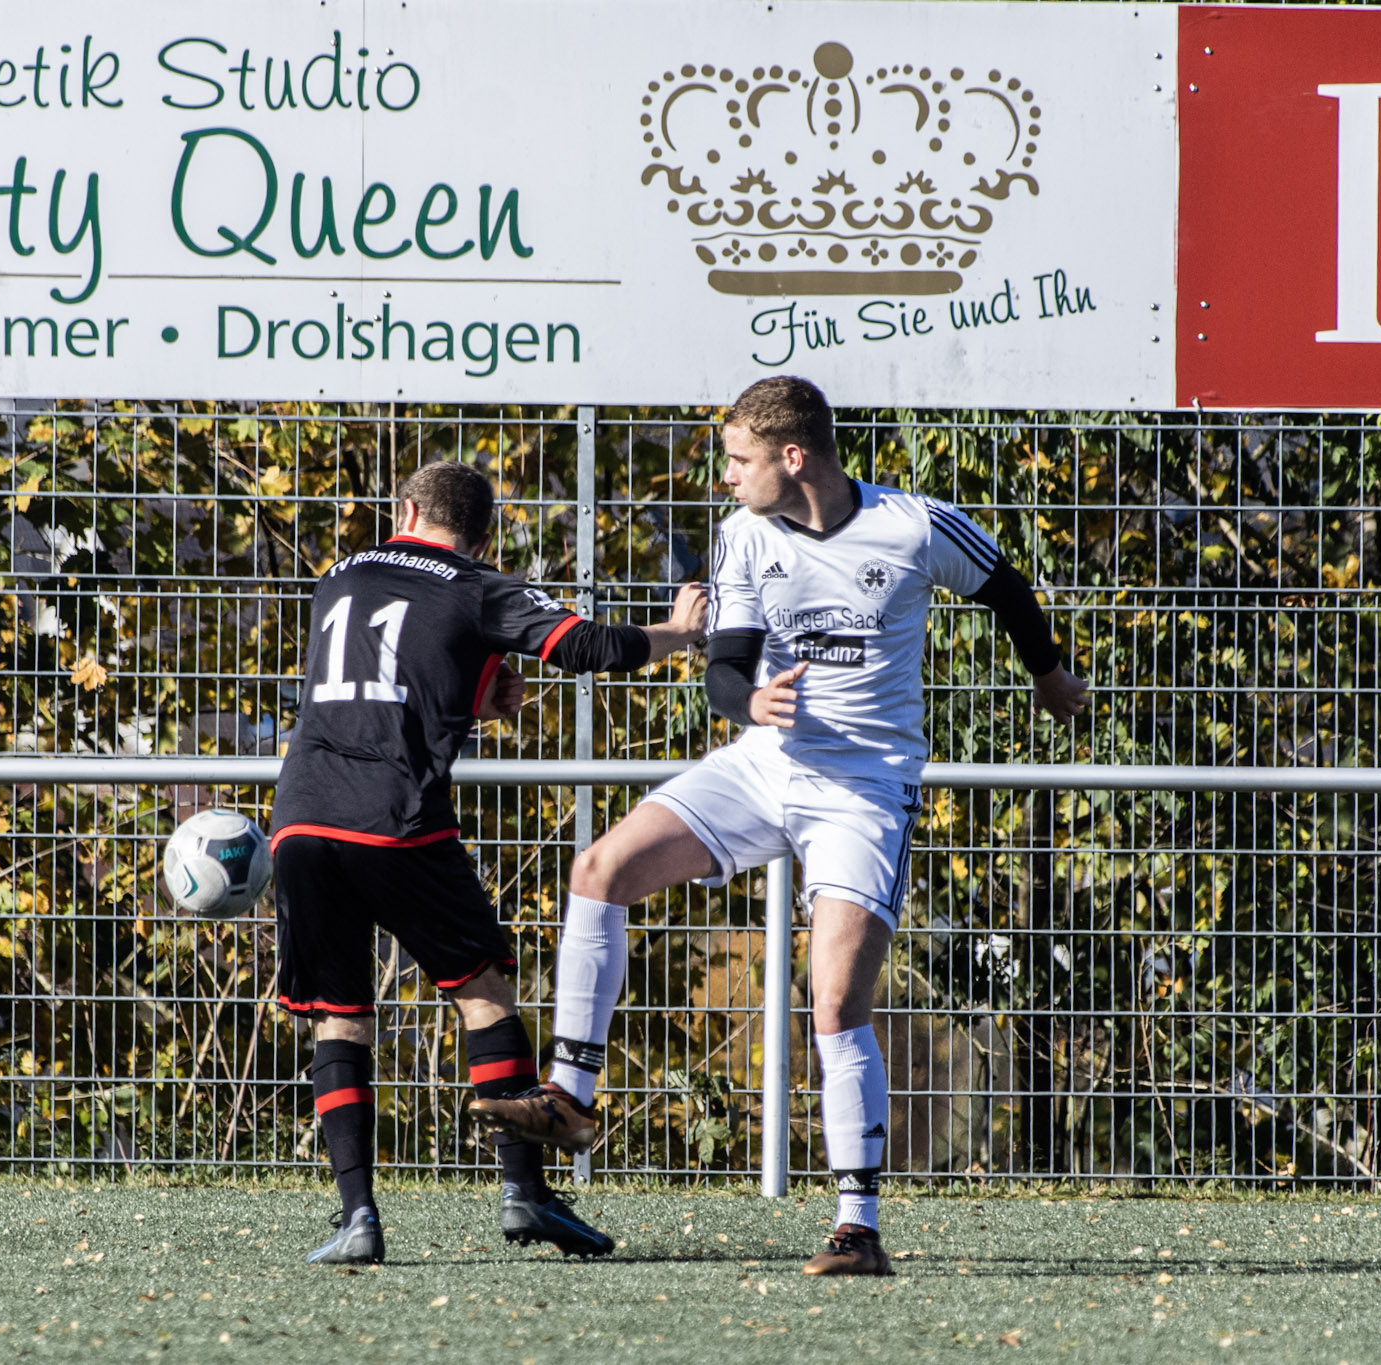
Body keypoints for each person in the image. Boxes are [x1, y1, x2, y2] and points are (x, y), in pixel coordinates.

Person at [471, 376, 1089, 1275]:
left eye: (738, 459)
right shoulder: (745, 534)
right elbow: (726, 669)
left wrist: (1049, 675)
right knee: (599, 869)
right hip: (762, 765)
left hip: (862, 789)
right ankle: (569, 1097)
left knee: (834, 1001)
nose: (726, 476)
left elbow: (1006, 590)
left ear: (792, 457)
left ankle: (857, 1228)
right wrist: (752, 701)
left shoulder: (914, 525)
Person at [273, 459, 708, 1265]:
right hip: (395, 818)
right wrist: (678, 632)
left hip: (300, 817)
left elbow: (382, 676)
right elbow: (586, 645)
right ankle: (524, 1193)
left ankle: (357, 1215)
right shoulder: (476, 583)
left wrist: (479, 687)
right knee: (482, 991)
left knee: (339, 1014)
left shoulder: (339, 575)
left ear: (406, 511)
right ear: (481, 535)